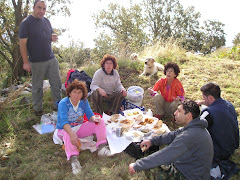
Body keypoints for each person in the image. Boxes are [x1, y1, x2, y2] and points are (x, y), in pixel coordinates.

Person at [129, 100, 213, 179]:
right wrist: (152, 141)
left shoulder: (189, 136)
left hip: (189, 176)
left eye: (179, 111)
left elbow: (164, 155)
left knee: (151, 167)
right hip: (190, 168)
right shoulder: (195, 126)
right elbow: (172, 135)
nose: (175, 113)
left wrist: (137, 165)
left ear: (188, 116)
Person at [53, 79, 111, 175]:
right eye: (74, 92)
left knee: (101, 121)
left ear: (83, 94)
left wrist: (94, 118)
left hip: (79, 127)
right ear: (69, 93)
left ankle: (101, 148)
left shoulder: (83, 101)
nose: (76, 95)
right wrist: (71, 134)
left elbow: (89, 115)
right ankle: (74, 160)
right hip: (64, 129)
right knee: (68, 133)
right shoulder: (63, 103)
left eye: (79, 93)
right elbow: (63, 122)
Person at [19, 0, 62, 116]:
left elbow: (49, 36)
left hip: (51, 59)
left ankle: (57, 108)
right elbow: (22, 44)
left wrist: (52, 37)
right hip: (36, 61)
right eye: (39, 8)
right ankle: (38, 110)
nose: (41, 11)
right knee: (37, 87)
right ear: (33, 8)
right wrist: (25, 62)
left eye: (43, 9)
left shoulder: (47, 21)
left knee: (57, 84)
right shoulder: (26, 23)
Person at [197, 82, 239, 179]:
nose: (203, 99)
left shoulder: (209, 113)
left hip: (220, 151)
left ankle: (215, 171)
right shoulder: (229, 104)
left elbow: (196, 127)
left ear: (210, 98)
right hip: (233, 145)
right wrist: (202, 103)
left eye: (204, 97)